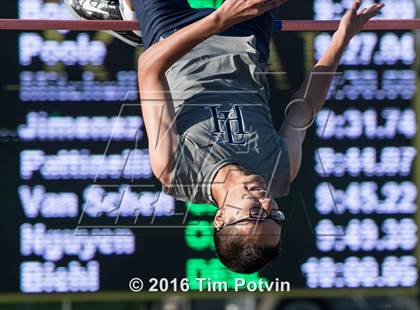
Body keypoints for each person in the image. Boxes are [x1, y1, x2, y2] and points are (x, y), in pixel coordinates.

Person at [65, 0, 384, 274]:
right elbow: (304, 109)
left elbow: (150, 68)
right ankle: (132, 19)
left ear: (221, 218)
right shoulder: (280, 170)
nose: (267, 202)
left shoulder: (175, 170)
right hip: (246, 35)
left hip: (175, 34)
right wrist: (343, 38)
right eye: (274, 215)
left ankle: (130, 15)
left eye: (256, 213)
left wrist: (222, 17)